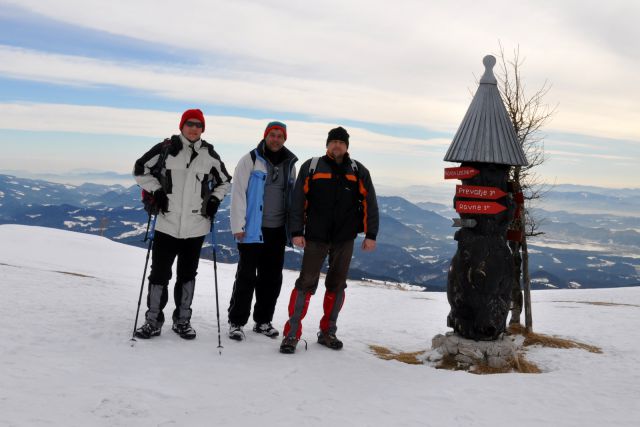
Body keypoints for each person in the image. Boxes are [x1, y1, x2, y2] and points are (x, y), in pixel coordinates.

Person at [132, 108, 231, 340]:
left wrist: (215, 199)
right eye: (190, 123)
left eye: (199, 125)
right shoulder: (166, 149)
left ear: (203, 128)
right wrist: (156, 190)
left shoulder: (210, 155)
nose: (194, 128)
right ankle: (152, 320)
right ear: (182, 126)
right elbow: (139, 169)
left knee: (187, 274)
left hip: (196, 226)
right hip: (167, 223)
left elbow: (225, 181)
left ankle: (182, 320)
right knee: (159, 274)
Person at [279, 126, 379, 354]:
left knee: (336, 285)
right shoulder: (312, 167)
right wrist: (296, 231)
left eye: (341, 142)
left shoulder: (358, 170)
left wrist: (371, 234)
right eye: (333, 141)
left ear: (347, 146)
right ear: (327, 145)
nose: (337, 145)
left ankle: (328, 332)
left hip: (344, 238)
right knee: (305, 284)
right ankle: (291, 333)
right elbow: (298, 201)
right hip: (316, 237)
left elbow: (370, 203)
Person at [227, 121, 298, 341]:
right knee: (246, 277)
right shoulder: (249, 160)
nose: (276, 139)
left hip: (277, 230)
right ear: (265, 136)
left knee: (272, 278)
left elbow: (293, 198)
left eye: (280, 136)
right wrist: (238, 225)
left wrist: (294, 229)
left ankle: (263, 321)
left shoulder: (290, 164)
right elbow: (238, 193)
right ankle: (236, 322)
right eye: (272, 135)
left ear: (284, 139)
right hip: (252, 229)